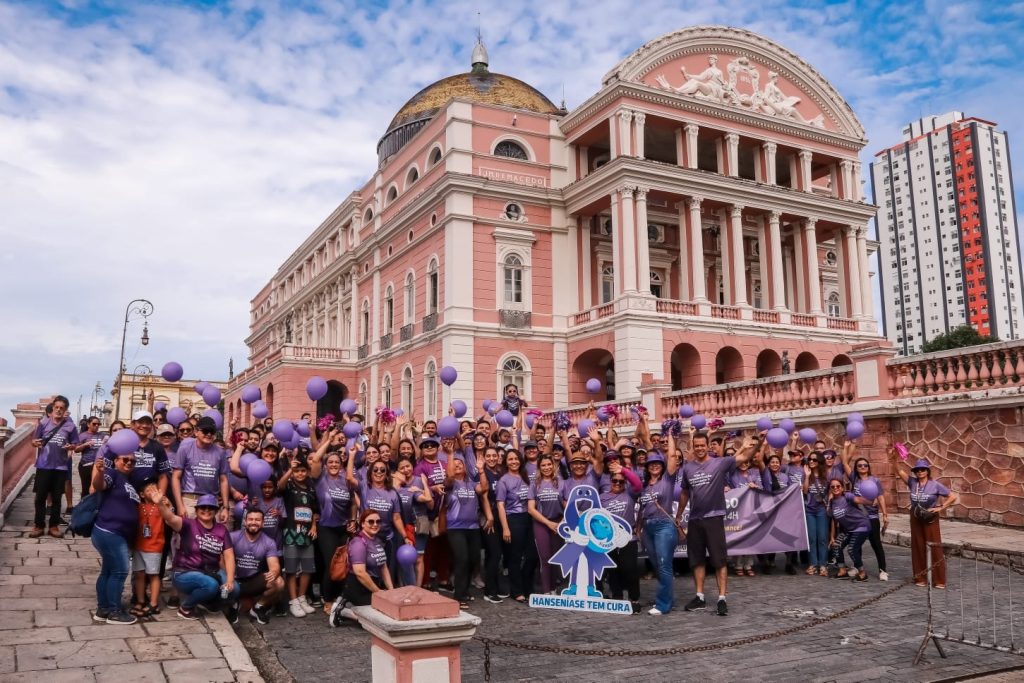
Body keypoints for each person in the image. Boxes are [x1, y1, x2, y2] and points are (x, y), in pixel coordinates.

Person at [676, 431, 755, 617]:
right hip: (695, 519)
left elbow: (745, 456)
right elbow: (685, 493)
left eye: (703, 445)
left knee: (719, 560)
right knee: (697, 560)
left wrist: (755, 445)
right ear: (693, 447)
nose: (700, 448)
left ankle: (721, 599)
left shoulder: (720, 463)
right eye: (696, 446)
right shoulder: (687, 468)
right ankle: (700, 597)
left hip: (714, 517)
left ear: (708, 445)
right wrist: (679, 514)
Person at [158, 492, 237, 620]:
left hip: (211, 571)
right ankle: (186, 608)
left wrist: (229, 580)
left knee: (235, 589)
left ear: (216, 511)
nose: (206, 510)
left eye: (211, 508)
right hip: (184, 572)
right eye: (203, 507)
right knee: (211, 585)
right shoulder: (188, 524)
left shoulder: (222, 530)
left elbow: (229, 556)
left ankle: (209, 603)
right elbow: (170, 518)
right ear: (196, 510)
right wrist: (160, 504)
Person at [890, 453, 959, 588]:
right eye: (917, 470)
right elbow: (899, 471)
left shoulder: (935, 485)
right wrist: (894, 459)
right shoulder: (912, 482)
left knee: (934, 546)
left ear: (927, 471)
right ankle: (920, 577)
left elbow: (952, 496)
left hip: (930, 517)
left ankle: (939, 580)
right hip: (916, 516)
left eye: (922, 469)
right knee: (918, 546)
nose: (920, 472)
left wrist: (941, 508)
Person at [89, 449, 141, 624]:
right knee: (120, 571)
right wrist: (100, 471)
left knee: (108, 571)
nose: (128, 463)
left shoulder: (129, 480)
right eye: (125, 459)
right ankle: (114, 612)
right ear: (116, 460)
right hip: (109, 531)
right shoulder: (112, 474)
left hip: (118, 533)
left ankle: (103, 609)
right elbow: (99, 485)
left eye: (132, 461)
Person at [309, 438, 358, 610]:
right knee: (331, 563)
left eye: (337, 461)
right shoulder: (320, 478)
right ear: (326, 464)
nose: (334, 464)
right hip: (326, 527)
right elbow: (315, 459)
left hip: (343, 528)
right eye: (330, 462)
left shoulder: (346, 480)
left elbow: (352, 502)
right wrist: (329, 440)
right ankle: (327, 598)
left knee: (343, 563)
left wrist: (352, 520)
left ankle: (339, 596)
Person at [444, 442, 489, 608]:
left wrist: (481, 470)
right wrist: (450, 454)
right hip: (456, 528)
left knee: (473, 560)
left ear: (465, 467)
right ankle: (459, 595)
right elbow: (449, 476)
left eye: (460, 463)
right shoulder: (450, 484)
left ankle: (464, 590)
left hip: (473, 528)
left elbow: (484, 489)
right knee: (462, 559)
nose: (457, 465)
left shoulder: (471, 483)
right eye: (454, 464)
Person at [276, 454, 320, 617]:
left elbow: (315, 511)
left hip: (307, 532)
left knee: (308, 567)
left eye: (303, 471)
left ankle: (302, 597)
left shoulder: (311, 488)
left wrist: (314, 526)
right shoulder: (288, 486)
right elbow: (279, 486)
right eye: (297, 471)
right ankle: (293, 601)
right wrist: (289, 470)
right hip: (291, 531)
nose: (300, 474)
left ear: (307, 472)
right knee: (291, 569)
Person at [638, 449, 681, 615]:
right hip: (647, 527)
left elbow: (671, 457)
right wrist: (639, 528)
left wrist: (670, 434)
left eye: (657, 463)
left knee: (664, 565)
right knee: (657, 565)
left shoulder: (667, 480)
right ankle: (668, 597)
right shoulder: (644, 486)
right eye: (651, 464)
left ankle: (663, 605)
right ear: (647, 467)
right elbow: (642, 509)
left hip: (664, 526)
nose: (654, 466)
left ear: (662, 467)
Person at [30, 395, 78, 538]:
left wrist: (71, 446)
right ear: (52, 408)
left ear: (65, 410)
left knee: (57, 498)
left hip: (60, 467)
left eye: (61, 408)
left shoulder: (70, 426)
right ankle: (38, 525)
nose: (58, 410)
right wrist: (35, 443)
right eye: (56, 407)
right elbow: (33, 441)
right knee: (40, 497)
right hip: (44, 465)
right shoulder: (44, 424)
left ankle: (54, 526)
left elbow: (75, 443)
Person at [600, 459, 643, 613]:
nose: (617, 483)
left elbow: (637, 484)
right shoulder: (603, 497)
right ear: (610, 481)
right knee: (613, 569)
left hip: (628, 537)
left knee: (630, 568)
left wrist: (624, 470)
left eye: (621, 481)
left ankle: (634, 598)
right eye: (614, 480)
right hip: (610, 539)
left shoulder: (630, 493)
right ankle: (617, 597)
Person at [229, 508, 285, 625]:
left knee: (279, 582)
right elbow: (221, 559)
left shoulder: (269, 542)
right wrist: (228, 576)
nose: (254, 522)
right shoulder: (233, 537)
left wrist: (274, 572)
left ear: (263, 523)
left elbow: (274, 565)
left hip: (253, 581)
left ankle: (258, 607)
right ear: (245, 521)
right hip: (233, 580)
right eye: (250, 519)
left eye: (257, 520)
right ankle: (233, 605)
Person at [843, 442, 889, 581]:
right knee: (856, 544)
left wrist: (885, 514)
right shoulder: (854, 479)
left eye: (865, 465)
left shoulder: (875, 480)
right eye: (859, 465)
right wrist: (846, 447)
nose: (862, 467)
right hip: (858, 517)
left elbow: (880, 497)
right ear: (856, 468)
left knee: (876, 544)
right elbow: (845, 462)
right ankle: (858, 566)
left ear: (869, 467)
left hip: (872, 516)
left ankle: (883, 570)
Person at [495, 449, 536, 603]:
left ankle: (527, 585)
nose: (514, 462)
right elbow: (500, 505)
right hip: (513, 519)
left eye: (516, 459)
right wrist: (505, 527)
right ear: (506, 462)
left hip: (529, 518)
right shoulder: (503, 480)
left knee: (532, 555)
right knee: (515, 557)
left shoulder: (526, 477)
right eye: (510, 459)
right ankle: (516, 590)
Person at [172, 416, 230, 523]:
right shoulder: (185, 449)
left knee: (211, 538)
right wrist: (180, 505)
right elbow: (176, 477)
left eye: (212, 431)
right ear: (196, 432)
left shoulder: (220, 452)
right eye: (205, 431)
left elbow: (223, 480)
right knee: (186, 537)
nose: (209, 434)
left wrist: (226, 508)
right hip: (190, 500)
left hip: (212, 502)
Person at [527, 454, 564, 594]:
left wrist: (560, 523)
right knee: (545, 557)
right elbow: (531, 509)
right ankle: (546, 590)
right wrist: (548, 523)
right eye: (543, 465)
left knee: (555, 557)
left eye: (549, 464)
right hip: (541, 524)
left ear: (553, 466)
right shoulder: (535, 484)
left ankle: (554, 588)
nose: (547, 467)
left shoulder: (561, 483)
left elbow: (567, 505)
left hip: (557, 523)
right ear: (539, 468)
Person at [343, 510, 394, 608]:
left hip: (373, 586)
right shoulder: (358, 543)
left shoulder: (378, 540)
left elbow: (383, 567)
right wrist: (378, 592)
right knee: (386, 608)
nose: (375, 524)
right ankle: (343, 610)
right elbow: (360, 573)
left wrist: (391, 591)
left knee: (391, 604)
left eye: (378, 521)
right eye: (370, 521)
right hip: (359, 589)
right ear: (362, 524)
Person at [825, 478, 872, 581]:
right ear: (830, 489)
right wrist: (832, 537)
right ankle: (842, 571)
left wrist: (871, 500)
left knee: (852, 549)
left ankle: (862, 573)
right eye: (832, 487)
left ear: (842, 488)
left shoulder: (847, 496)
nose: (835, 488)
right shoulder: (832, 502)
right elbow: (834, 520)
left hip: (861, 526)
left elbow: (859, 500)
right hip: (849, 529)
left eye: (838, 486)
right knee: (836, 546)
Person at [131, 479, 165, 618]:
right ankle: (140, 600)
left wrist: (161, 501)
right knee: (139, 574)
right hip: (139, 545)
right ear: (142, 494)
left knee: (153, 574)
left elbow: (170, 512)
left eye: (154, 489)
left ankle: (154, 603)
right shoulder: (138, 507)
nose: (152, 492)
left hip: (154, 546)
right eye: (149, 490)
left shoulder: (161, 506)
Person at [479, 446, 506, 603]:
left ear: (498, 457)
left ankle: (495, 585)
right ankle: (490, 592)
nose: (491, 458)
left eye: (494, 456)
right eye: (488, 456)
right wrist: (489, 515)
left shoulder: (501, 473)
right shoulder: (482, 473)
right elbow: (483, 495)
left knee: (495, 554)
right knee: (494, 553)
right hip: (489, 517)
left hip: (501, 516)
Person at [727, 456, 763, 576]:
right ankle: (738, 564)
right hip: (738, 510)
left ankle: (748, 564)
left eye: (746, 462)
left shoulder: (754, 473)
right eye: (742, 462)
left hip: (751, 509)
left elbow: (761, 488)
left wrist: (755, 486)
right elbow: (731, 490)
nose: (744, 464)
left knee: (750, 536)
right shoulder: (733, 474)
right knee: (738, 536)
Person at [802, 450, 831, 577]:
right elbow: (805, 491)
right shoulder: (807, 475)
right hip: (809, 509)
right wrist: (807, 476)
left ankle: (823, 565)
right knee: (812, 538)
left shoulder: (826, 476)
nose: (811, 462)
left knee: (823, 538)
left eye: (814, 460)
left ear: (819, 461)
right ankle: (813, 564)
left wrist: (829, 503)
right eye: (810, 459)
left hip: (821, 510)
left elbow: (831, 490)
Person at [73, 416, 105, 497]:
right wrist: (85, 444)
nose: (97, 426)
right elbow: (76, 449)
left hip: (98, 466)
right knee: (86, 489)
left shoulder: (102, 435)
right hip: (86, 465)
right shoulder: (83, 435)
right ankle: (84, 507)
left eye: (98, 424)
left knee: (98, 489)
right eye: (94, 424)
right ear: (88, 424)